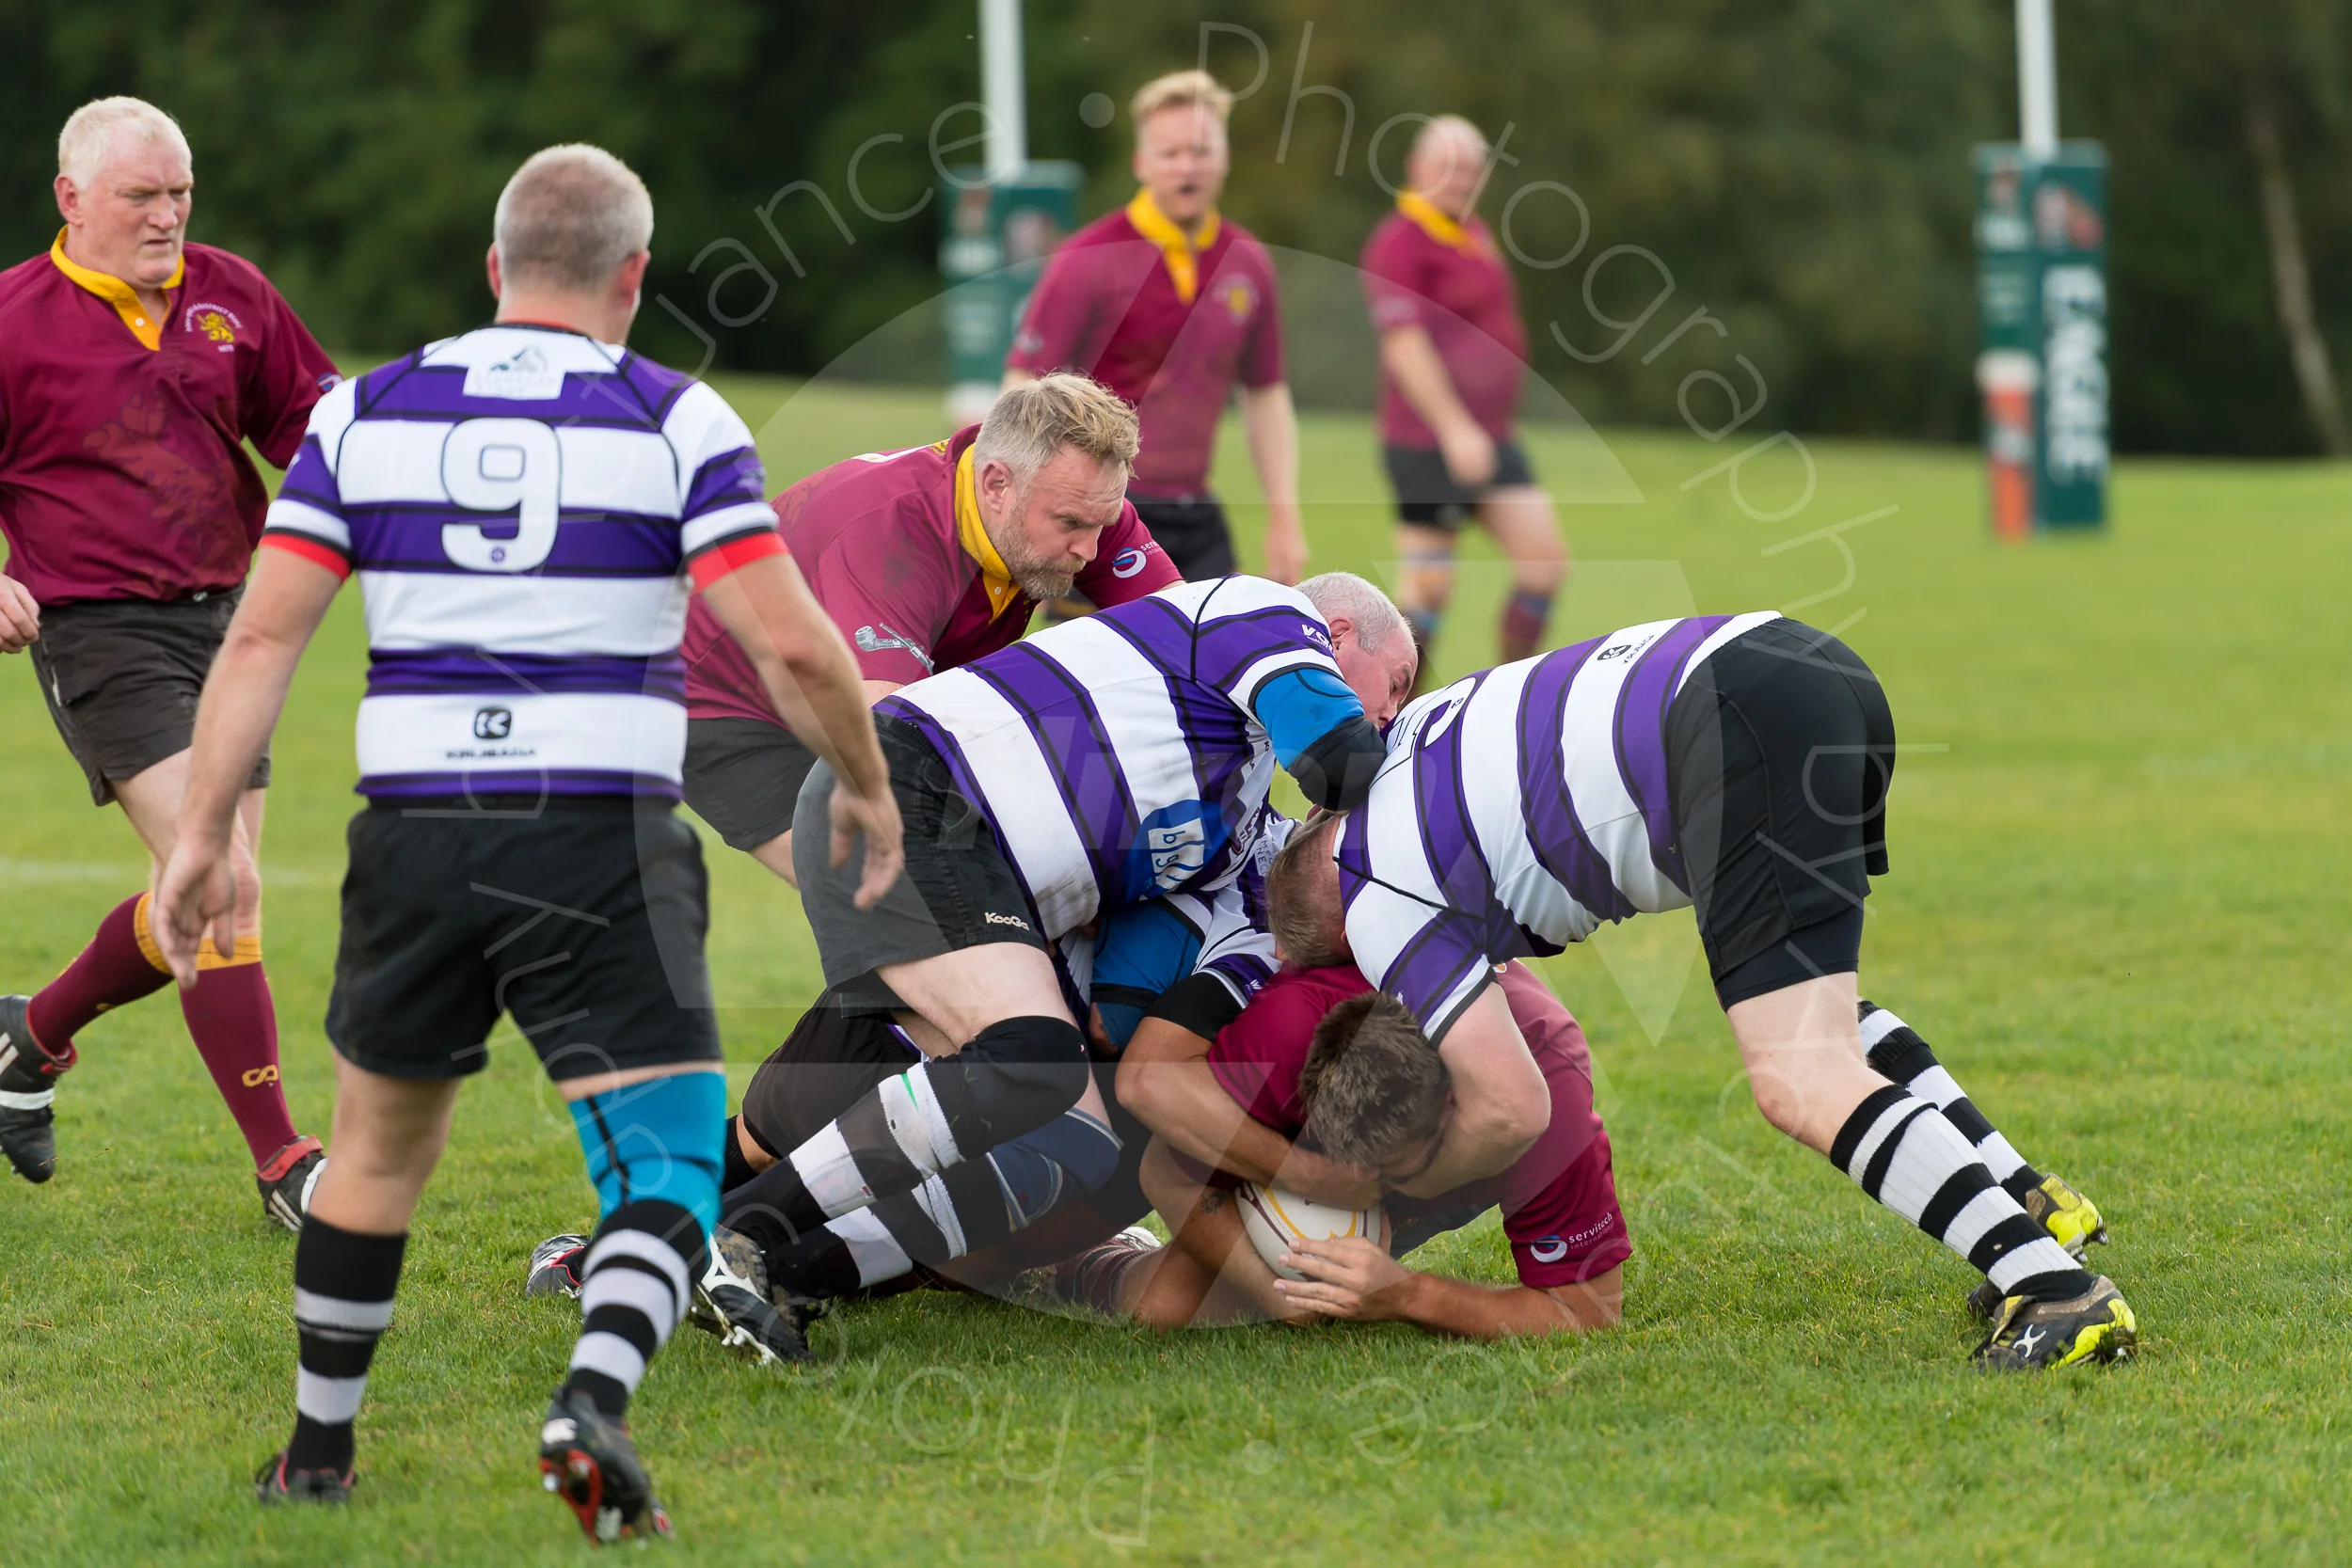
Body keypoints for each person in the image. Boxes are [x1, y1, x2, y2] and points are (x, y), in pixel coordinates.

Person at [148, 145, 904, 1540]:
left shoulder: (365, 411)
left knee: (374, 1155)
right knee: (672, 1162)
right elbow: (789, 639)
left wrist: (199, 832)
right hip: (598, 834)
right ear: (634, 276)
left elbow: (261, 634)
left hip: (415, 834)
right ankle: (592, 1401)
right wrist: (862, 776)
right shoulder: (673, 417)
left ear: (493, 270)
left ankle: (317, 1452)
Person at [1263, 614, 2137, 1370]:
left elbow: (1509, 1109)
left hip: (1731, 724)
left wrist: (1374, 1191)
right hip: (1800, 666)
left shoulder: (1371, 896)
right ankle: (2032, 1205)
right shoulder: (1419, 738)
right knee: (1826, 1020)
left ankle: (2055, 1289)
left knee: (1799, 1075)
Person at [707, 573, 1454, 1315]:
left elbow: (1118, 1010)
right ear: (1340, 634)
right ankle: (725, 1239)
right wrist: (1411, 798)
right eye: (1394, 684)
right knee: (804, 1124)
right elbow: (1346, 761)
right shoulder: (1266, 612)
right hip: (919, 809)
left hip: (977, 945)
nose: (1388, 713)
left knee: (1075, 1134)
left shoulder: (1233, 826)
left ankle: (771, 1269)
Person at [0, 97, 338, 1221]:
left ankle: (28, 1037)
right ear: (72, 199)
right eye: (141, 194)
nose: (167, 214)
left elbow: (314, 426)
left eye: (179, 191)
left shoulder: (230, 292)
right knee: (226, 882)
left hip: (234, 627)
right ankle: (286, 1160)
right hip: (98, 632)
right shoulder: (12, 321)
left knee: (202, 896)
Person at [679, 372, 1180, 882]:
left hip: (862, 682)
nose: (1090, 550)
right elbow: (895, 743)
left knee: (1031, 885)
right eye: (1072, 525)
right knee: (905, 893)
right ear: (996, 485)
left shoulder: (1073, 499)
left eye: (1103, 522)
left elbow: (1190, 636)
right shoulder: (892, 541)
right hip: (730, 702)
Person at [1072, 958, 1628, 1338]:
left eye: (1382, 1170)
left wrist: (1408, 1295)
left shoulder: (1545, 1103)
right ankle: (1099, 1260)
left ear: (1450, 1114)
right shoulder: (1289, 1033)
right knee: (1162, 1310)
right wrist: (1279, 1291)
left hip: (1483, 1123)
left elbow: (1587, 1310)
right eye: (1345, 1157)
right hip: (1318, 1141)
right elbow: (1167, 1170)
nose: (1358, 1182)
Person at [1004, 71, 1303, 583]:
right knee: (1113, 664)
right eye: (1170, 153)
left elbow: (1265, 395)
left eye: (1201, 150)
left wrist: (1284, 515)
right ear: (1142, 163)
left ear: (1224, 158)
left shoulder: (1247, 263)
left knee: (1227, 656)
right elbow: (1021, 389)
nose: (1187, 166)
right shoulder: (1089, 258)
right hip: (1104, 512)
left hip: (1196, 510)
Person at [1361, 116, 1568, 673]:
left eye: (1471, 170)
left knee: (1544, 566)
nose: (1459, 180)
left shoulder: (1472, 232)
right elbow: (1405, 346)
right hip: (1428, 441)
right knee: (1428, 590)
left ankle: (1513, 699)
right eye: (1446, 167)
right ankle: (1392, 718)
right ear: (1416, 168)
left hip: (1494, 438)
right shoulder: (1400, 240)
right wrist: (1454, 427)